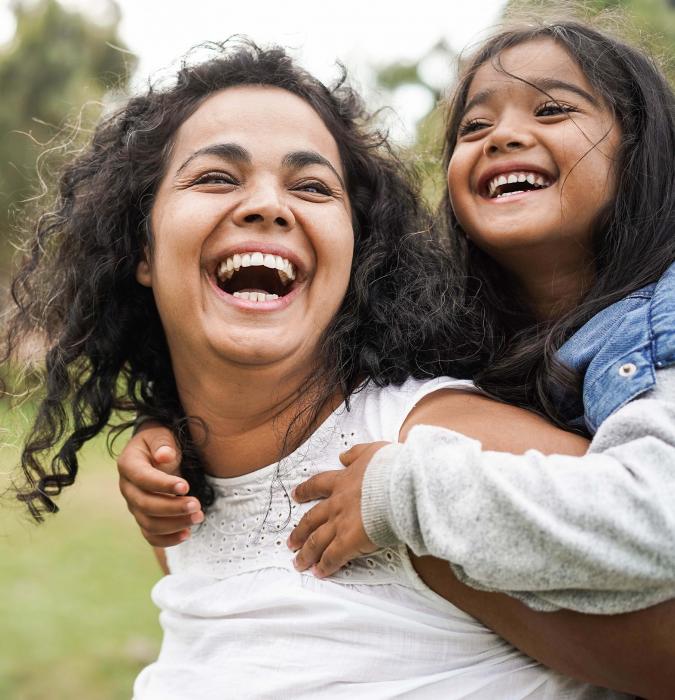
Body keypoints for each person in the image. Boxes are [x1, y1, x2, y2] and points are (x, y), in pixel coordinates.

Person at [4, 39, 641, 698]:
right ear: (142, 247)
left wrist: (415, 511)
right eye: (216, 177)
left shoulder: (435, 457)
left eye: (311, 186)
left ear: (356, 253)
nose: (267, 206)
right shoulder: (177, 493)